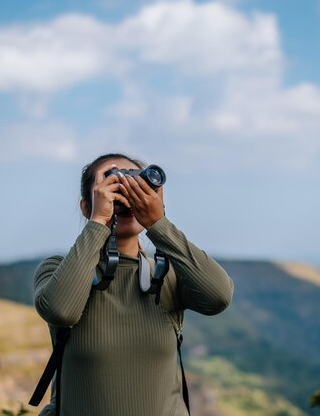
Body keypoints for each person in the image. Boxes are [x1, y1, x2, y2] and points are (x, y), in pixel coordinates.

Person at [33, 153, 234, 416]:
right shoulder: (58, 270)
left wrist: (158, 223)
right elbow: (61, 310)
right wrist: (98, 222)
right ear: (86, 206)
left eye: (136, 182)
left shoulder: (168, 275)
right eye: (112, 182)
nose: (126, 193)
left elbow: (218, 296)